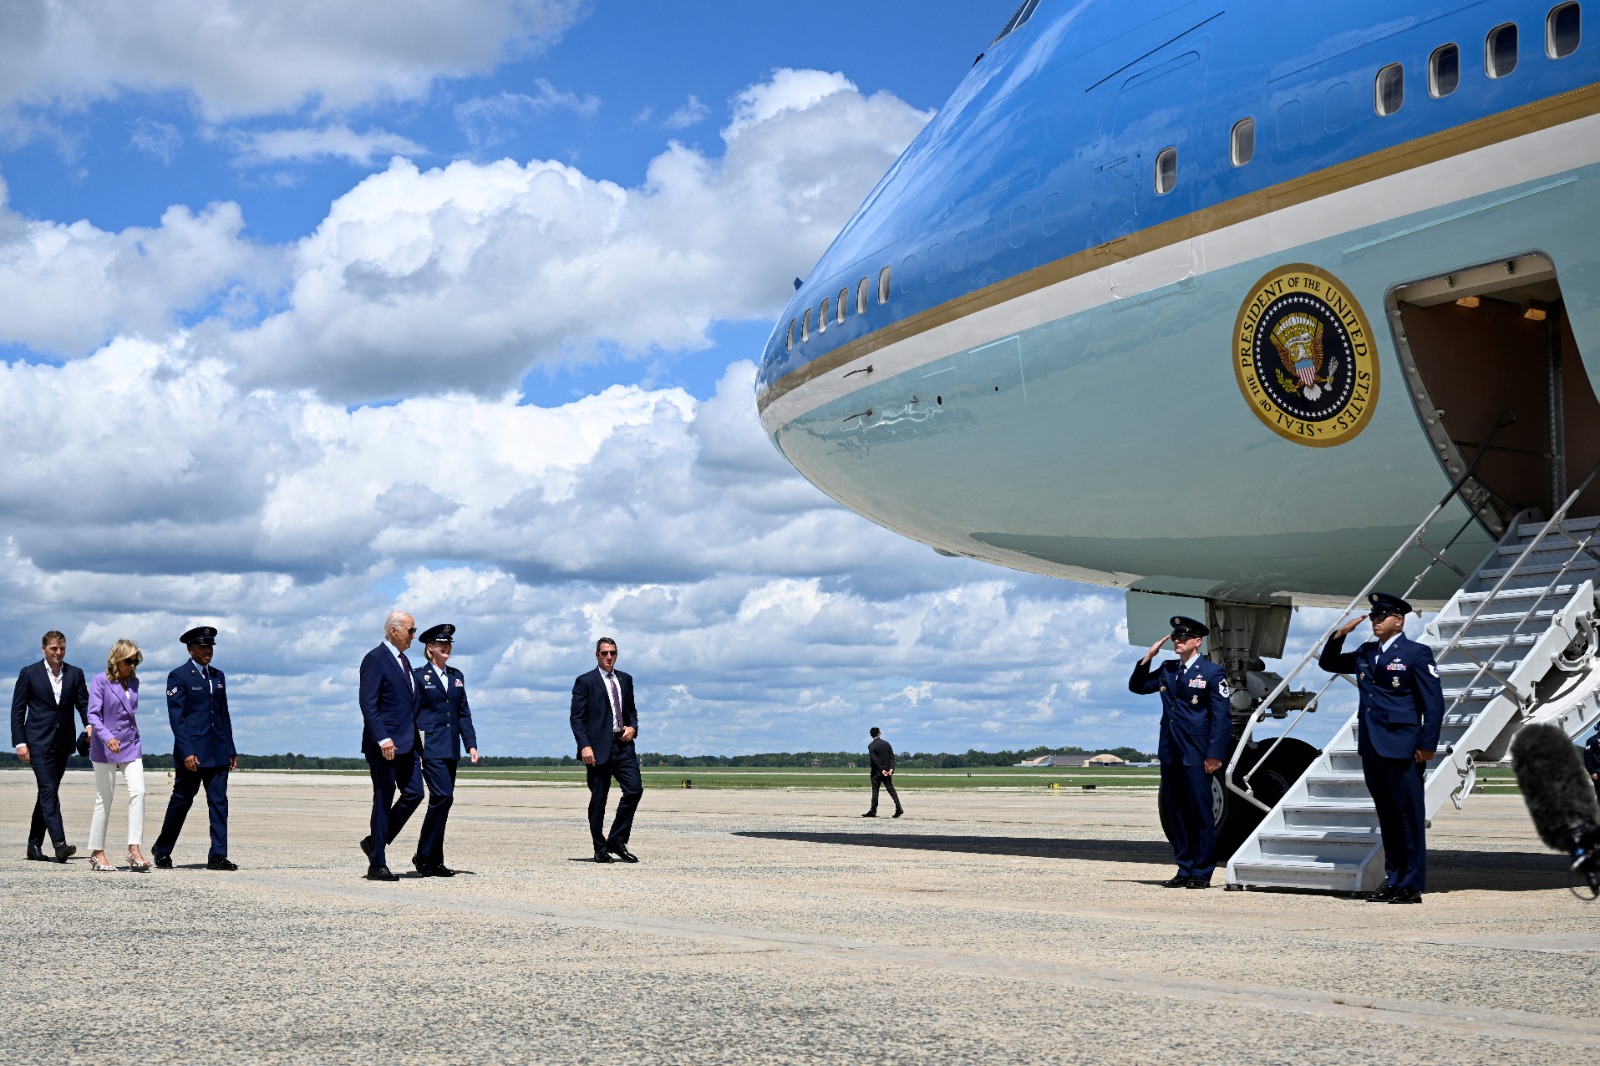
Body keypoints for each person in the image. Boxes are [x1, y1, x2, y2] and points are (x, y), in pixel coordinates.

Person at [1318, 591, 1443, 904]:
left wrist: (1427, 744)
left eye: (1382, 616)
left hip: (1404, 746)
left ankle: (1411, 885)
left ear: (1398, 621)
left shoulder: (1416, 653)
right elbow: (1329, 663)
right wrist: (1339, 635)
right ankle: (1394, 879)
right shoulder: (1366, 652)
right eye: (1373, 616)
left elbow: (1434, 703)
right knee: (1387, 817)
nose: (1375, 621)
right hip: (1372, 747)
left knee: (1409, 817)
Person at [1128, 615, 1231, 889]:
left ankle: (1202, 871)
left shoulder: (1212, 673)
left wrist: (1215, 755)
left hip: (1197, 753)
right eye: (1175, 637)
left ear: (1197, 641)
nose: (1177, 641)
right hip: (1171, 752)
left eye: (1183, 637)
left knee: (1200, 813)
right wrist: (1147, 658)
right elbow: (1137, 687)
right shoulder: (1167, 669)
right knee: (1176, 813)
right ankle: (1184, 868)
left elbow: (1221, 718)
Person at [152, 626, 238, 871]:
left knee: (219, 803)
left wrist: (231, 748)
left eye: (209, 647)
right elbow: (177, 719)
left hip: (218, 750)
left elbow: (223, 714)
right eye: (202, 647)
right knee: (181, 801)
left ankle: (218, 855)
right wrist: (187, 751)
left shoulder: (218, 676)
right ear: (190, 649)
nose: (207, 651)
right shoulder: (178, 676)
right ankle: (163, 848)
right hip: (192, 754)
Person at [11, 630, 90, 863]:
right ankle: (60, 844)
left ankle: (34, 845)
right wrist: (20, 742)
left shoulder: (75, 673)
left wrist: (90, 726)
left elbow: (83, 705)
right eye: (54, 648)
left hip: (63, 743)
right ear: (44, 648)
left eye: (62, 648)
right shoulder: (29, 673)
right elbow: (18, 710)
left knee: (48, 792)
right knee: (48, 790)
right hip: (37, 742)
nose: (59, 652)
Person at [357, 610, 423, 881]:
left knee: (415, 793)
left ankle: (376, 842)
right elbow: (368, 704)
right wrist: (383, 738)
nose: (413, 636)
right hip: (384, 745)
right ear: (394, 630)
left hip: (407, 745)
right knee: (383, 800)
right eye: (410, 630)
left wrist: (418, 747)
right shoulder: (375, 659)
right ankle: (377, 864)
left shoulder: (404, 661)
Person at [411, 623, 479, 877]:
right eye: (441, 644)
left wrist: (470, 743)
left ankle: (435, 861)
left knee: (442, 803)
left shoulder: (456, 676)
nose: (446, 647)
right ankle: (423, 855)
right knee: (443, 797)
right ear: (430, 648)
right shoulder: (419, 677)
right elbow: (413, 715)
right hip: (429, 748)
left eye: (449, 643)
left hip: (450, 748)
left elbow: (463, 713)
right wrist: (416, 750)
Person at [570, 637, 641, 863]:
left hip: (623, 746)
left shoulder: (626, 679)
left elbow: (631, 712)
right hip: (597, 748)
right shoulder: (585, 681)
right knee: (599, 799)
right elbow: (576, 718)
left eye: (612, 653)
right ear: (597, 655)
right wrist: (584, 746)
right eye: (604, 653)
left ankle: (617, 841)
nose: (608, 657)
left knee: (634, 790)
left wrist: (633, 728)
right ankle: (600, 848)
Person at [86, 640, 151, 873]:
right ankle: (96, 851)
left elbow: (130, 713)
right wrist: (106, 737)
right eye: (129, 660)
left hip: (131, 745)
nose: (132, 665)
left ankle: (134, 849)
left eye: (136, 661)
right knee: (105, 797)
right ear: (117, 659)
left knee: (139, 792)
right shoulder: (100, 681)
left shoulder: (134, 682)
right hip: (105, 746)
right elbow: (93, 715)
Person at [863, 727, 904, 817]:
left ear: (871, 735)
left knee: (875, 791)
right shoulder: (886, 744)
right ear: (878, 733)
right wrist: (891, 769)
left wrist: (881, 770)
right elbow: (892, 757)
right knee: (891, 790)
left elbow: (874, 760)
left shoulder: (871, 746)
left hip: (876, 772)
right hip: (887, 772)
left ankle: (873, 810)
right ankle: (899, 808)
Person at [1586, 723, 1600, 804]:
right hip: (1598, 772)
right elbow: (1587, 757)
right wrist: (1592, 771)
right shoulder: (1592, 740)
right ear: (1597, 727)